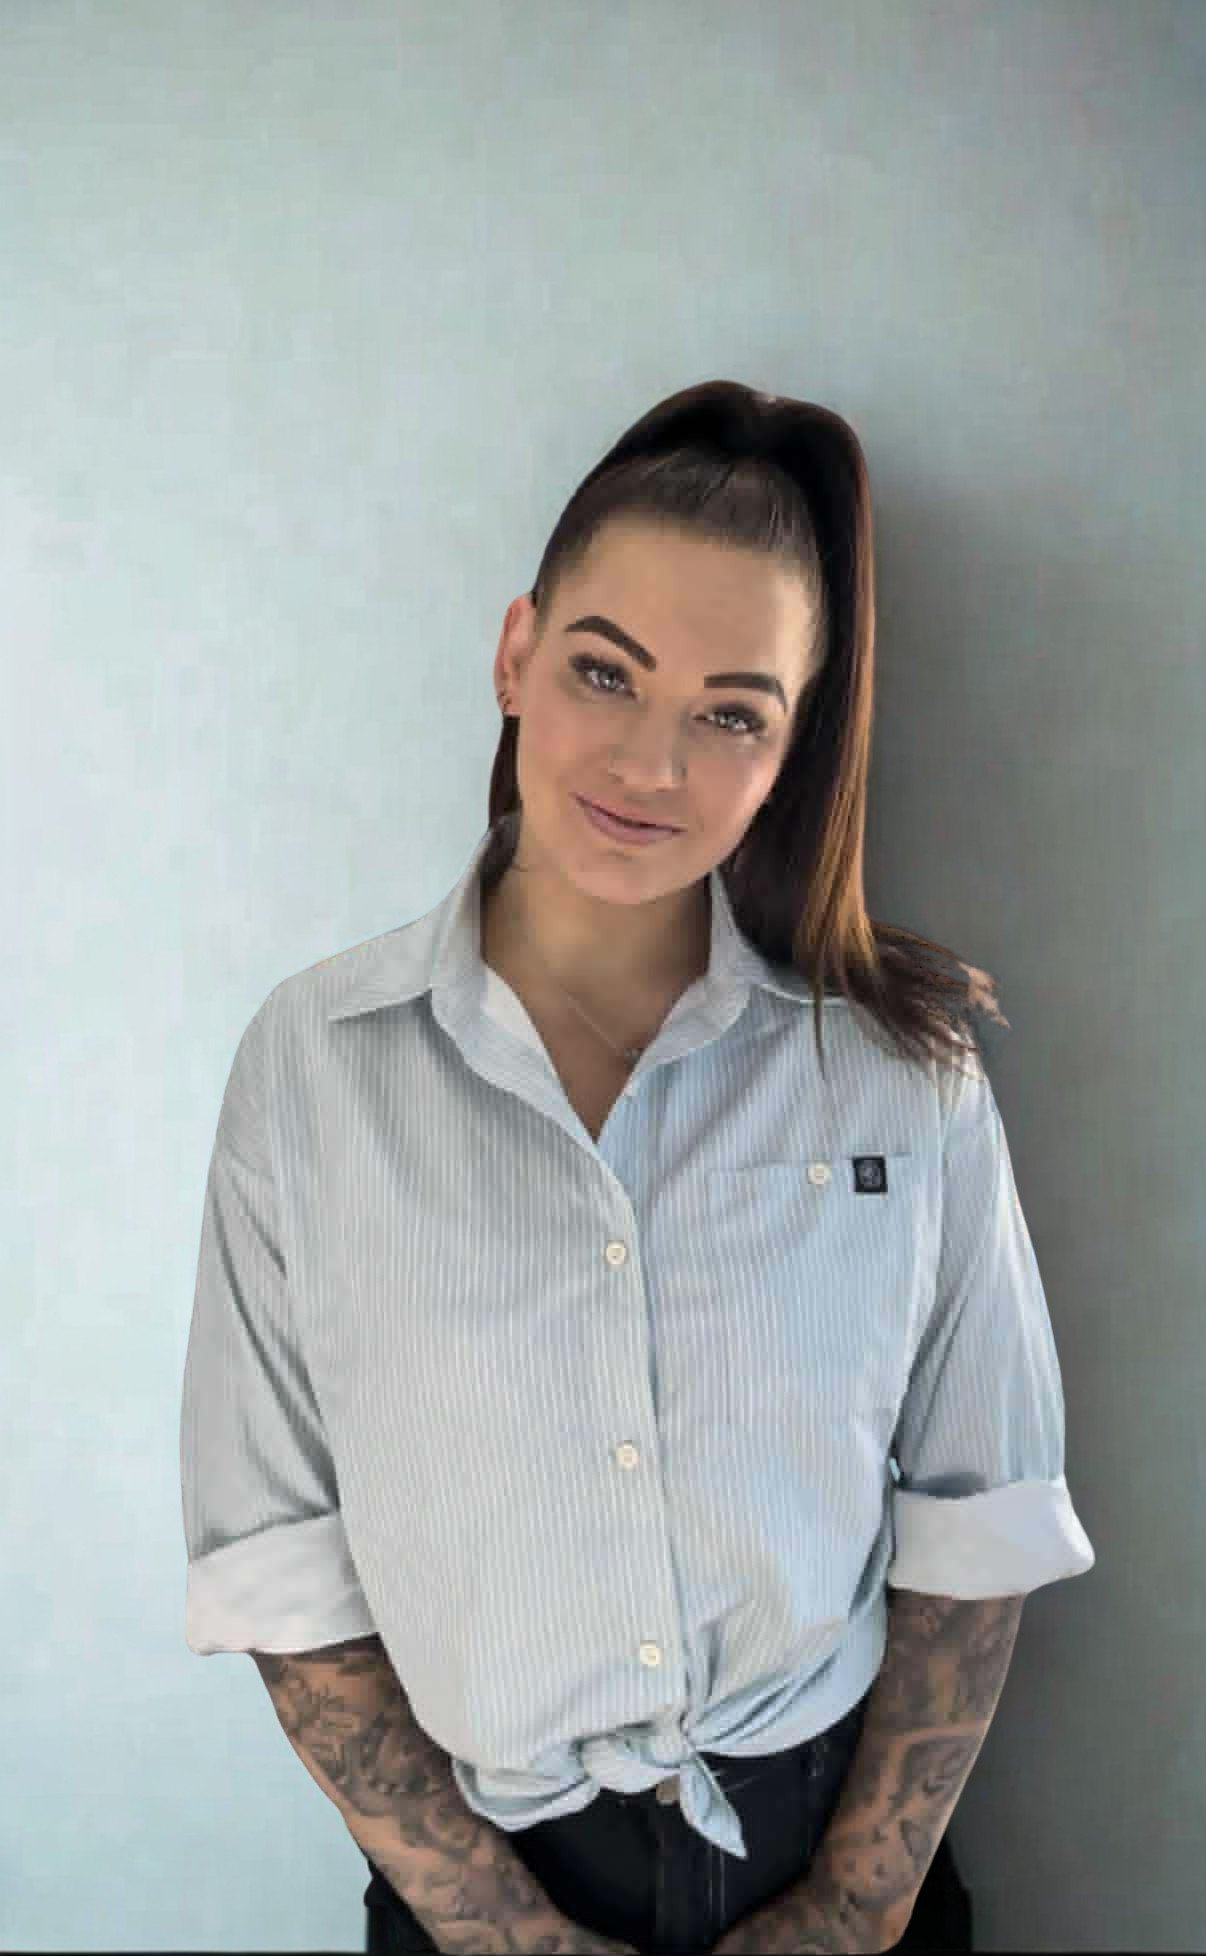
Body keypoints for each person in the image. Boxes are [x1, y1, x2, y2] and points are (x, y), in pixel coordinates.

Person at [180, 380, 1095, 1956]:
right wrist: (498, 1930)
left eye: (730, 712)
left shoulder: (899, 1071)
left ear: (787, 747)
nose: (651, 764)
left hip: (842, 1851)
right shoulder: (315, 1065)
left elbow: (978, 1512)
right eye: (606, 672)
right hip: (486, 1879)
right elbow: (275, 1556)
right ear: (515, 653)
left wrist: (857, 1907)